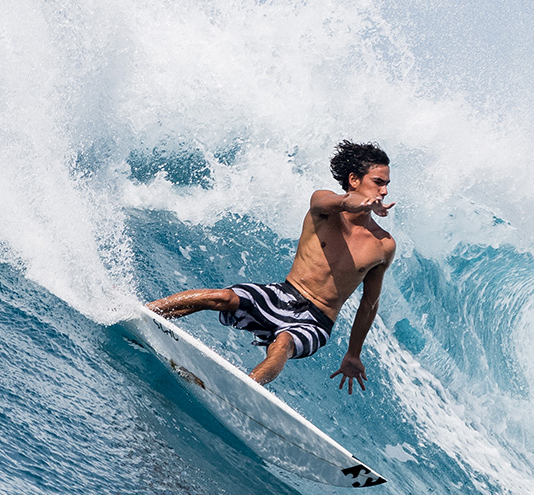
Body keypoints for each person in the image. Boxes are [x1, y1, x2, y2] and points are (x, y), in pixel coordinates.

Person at [147, 141, 396, 394]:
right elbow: (341, 203)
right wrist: (360, 204)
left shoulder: (383, 244)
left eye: (387, 184)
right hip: (282, 294)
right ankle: (145, 313)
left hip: (317, 321)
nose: (385, 191)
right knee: (222, 297)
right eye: (378, 182)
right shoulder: (323, 204)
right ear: (354, 179)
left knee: (284, 343)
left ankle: (241, 391)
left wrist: (353, 354)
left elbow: (369, 304)